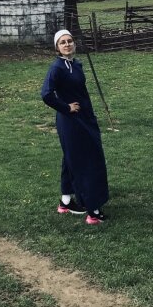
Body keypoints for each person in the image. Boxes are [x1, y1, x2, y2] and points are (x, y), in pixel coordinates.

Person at [41, 29, 109, 225]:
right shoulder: (57, 68)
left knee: (71, 158)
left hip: (84, 117)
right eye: (63, 42)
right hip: (70, 121)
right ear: (57, 47)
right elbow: (46, 94)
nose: (67, 44)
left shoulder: (76, 65)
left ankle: (66, 201)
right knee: (88, 161)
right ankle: (93, 211)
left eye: (70, 41)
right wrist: (65, 107)